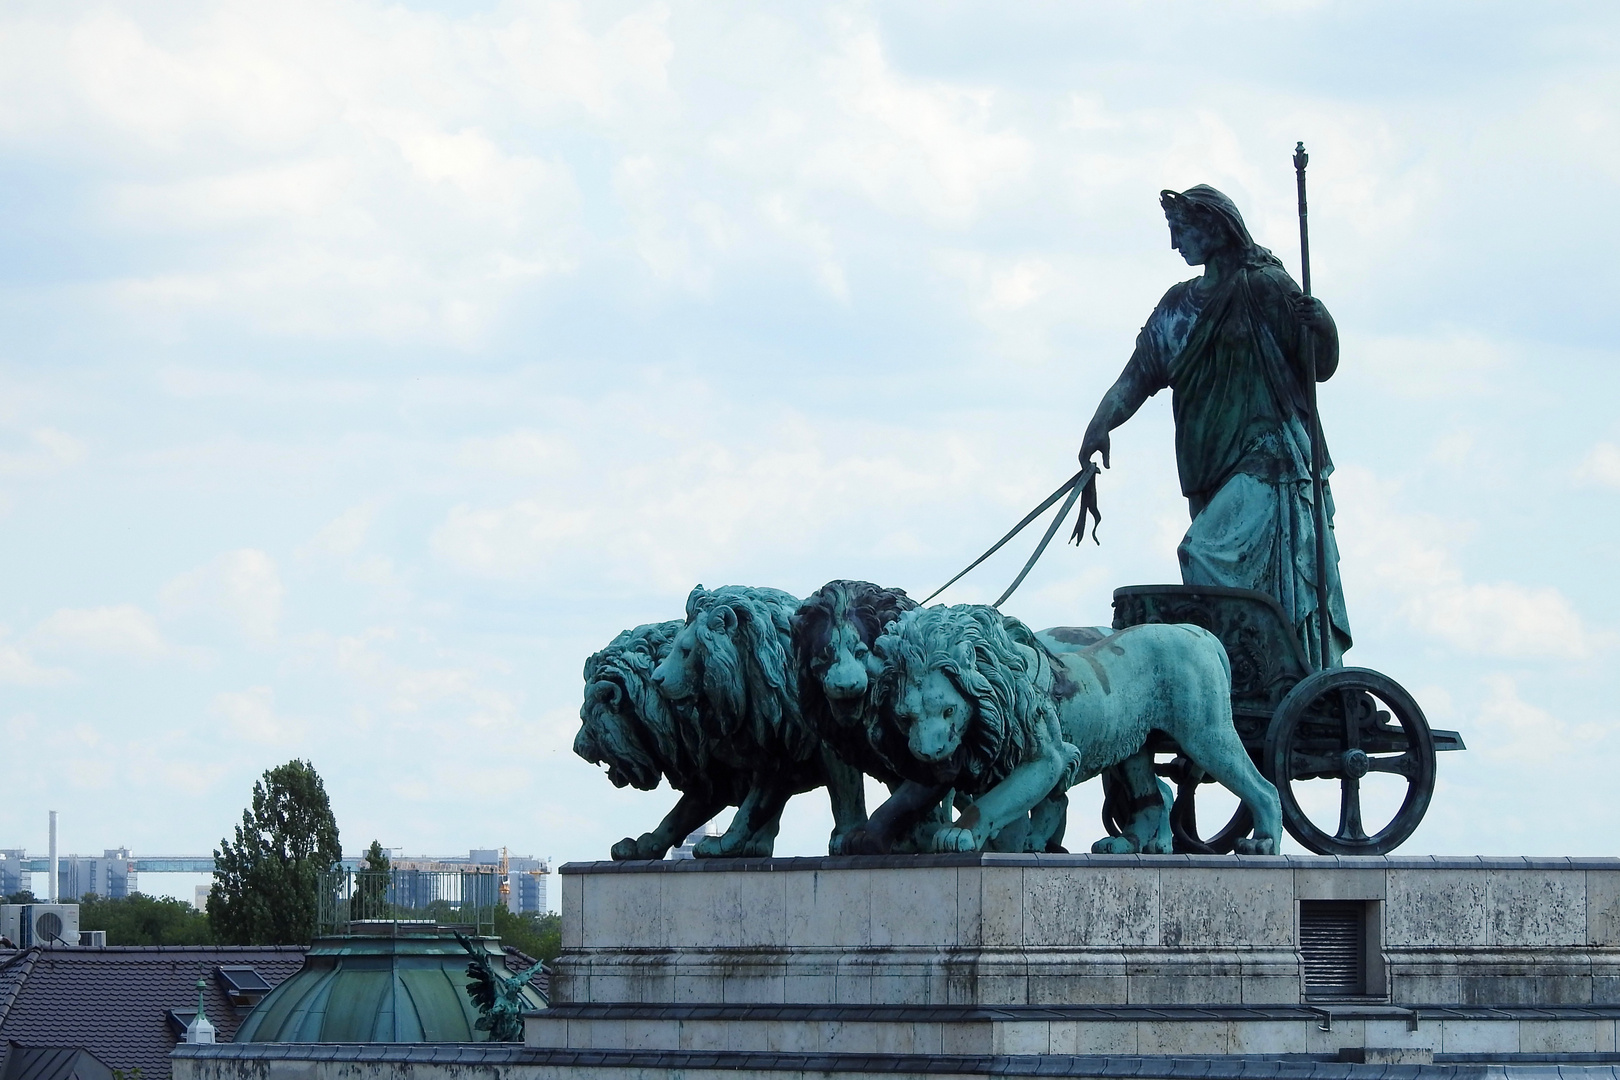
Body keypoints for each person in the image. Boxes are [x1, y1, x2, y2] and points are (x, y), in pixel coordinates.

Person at [1079, 184, 1351, 665]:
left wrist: (1323, 325)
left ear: (1212, 226)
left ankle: (1261, 667)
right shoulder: (1176, 305)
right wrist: (1101, 424)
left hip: (1268, 457)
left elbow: (1318, 366)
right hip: (1207, 462)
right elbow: (1138, 375)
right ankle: (1247, 670)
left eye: (1180, 230)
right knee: (1225, 577)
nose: (1174, 244)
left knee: (1203, 553)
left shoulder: (1263, 286)